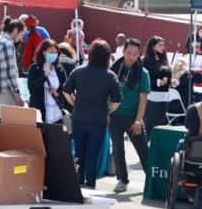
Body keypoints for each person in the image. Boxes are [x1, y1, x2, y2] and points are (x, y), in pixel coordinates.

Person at [63, 40, 121, 189]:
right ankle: (91, 182)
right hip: (98, 118)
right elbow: (117, 101)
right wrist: (107, 110)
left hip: (79, 116)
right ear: (107, 57)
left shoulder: (78, 71)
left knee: (79, 151)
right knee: (93, 153)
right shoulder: (110, 76)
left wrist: (75, 103)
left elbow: (66, 91)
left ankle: (78, 180)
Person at [108, 38, 150, 193]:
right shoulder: (114, 69)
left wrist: (139, 120)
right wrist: (107, 113)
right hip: (114, 117)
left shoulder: (143, 73)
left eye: (135, 54)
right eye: (128, 53)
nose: (131, 56)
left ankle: (152, 180)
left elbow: (143, 99)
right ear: (123, 51)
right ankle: (122, 180)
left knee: (143, 150)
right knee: (117, 150)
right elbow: (107, 94)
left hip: (133, 117)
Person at [27, 39, 67, 123]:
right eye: (51, 52)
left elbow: (65, 88)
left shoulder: (60, 69)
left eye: (55, 52)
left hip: (57, 112)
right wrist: (45, 75)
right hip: (40, 113)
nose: (53, 55)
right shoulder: (34, 68)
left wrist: (57, 93)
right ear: (44, 52)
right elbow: (32, 89)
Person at [0, 19, 26, 106]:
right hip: (6, 90)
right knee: (12, 119)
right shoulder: (7, 44)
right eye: (21, 34)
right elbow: (10, 72)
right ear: (16, 30)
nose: (21, 38)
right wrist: (17, 94)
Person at [142, 36, 172, 135]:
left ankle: (155, 146)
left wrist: (172, 81)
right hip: (152, 96)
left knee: (160, 124)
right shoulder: (145, 60)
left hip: (164, 96)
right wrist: (158, 82)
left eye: (163, 45)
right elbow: (144, 79)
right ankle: (145, 146)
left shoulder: (163, 59)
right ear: (153, 46)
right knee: (149, 123)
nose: (163, 47)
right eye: (160, 45)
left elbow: (168, 75)